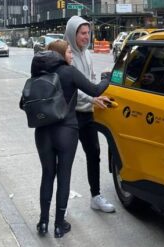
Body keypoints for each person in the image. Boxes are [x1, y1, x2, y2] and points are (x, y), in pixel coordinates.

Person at [21, 40, 109, 238]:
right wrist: (107, 78)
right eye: (69, 51)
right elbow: (95, 90)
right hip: (66, 131)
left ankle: (43, 222)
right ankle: (59, 225)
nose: (71, 55)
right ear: (61, 54)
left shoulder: (39, 74)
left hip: (42, 133)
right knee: (64, 176)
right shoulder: (69, 72)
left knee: (47, 175)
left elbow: (23, 103)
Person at [64, 16, 115, 213]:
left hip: (87, 115)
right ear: (72, 34)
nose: (87, 37)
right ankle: (63, 202)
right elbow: (71, 90)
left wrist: (94, 99)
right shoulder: (67, 56)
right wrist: (92, 99)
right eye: (82, 33)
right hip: (70, 116)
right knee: (66, 159)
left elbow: (91, 81)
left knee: (94, 154)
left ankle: (96, 196)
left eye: (88, 33)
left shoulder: (87, 54)